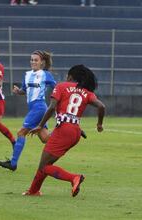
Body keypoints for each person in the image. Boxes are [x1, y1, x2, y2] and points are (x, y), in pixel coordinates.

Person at [23, 64, 105, 197]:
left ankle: (74, 178)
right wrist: (99, 124)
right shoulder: (87, 92)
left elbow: (51, 107)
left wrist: (40, 125)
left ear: (71, 76)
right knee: (46, 164)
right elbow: (101, 106)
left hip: (64, 130)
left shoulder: (61, 86)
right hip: (75, 132)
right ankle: (33, 191)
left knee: (44, 166)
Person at [0, 50, 56, 171]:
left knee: (21, 132)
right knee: (45, 139)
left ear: (42, 62)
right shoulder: (27, 75)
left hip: (39, 108)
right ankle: (66, 134)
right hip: (35, 109)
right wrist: (18, 91)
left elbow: (57, 88)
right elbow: (24, 90)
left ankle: (13, 163)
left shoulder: (45, 74)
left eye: (36, 60)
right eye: (32, 60)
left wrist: (58, 99)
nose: (33, 62)